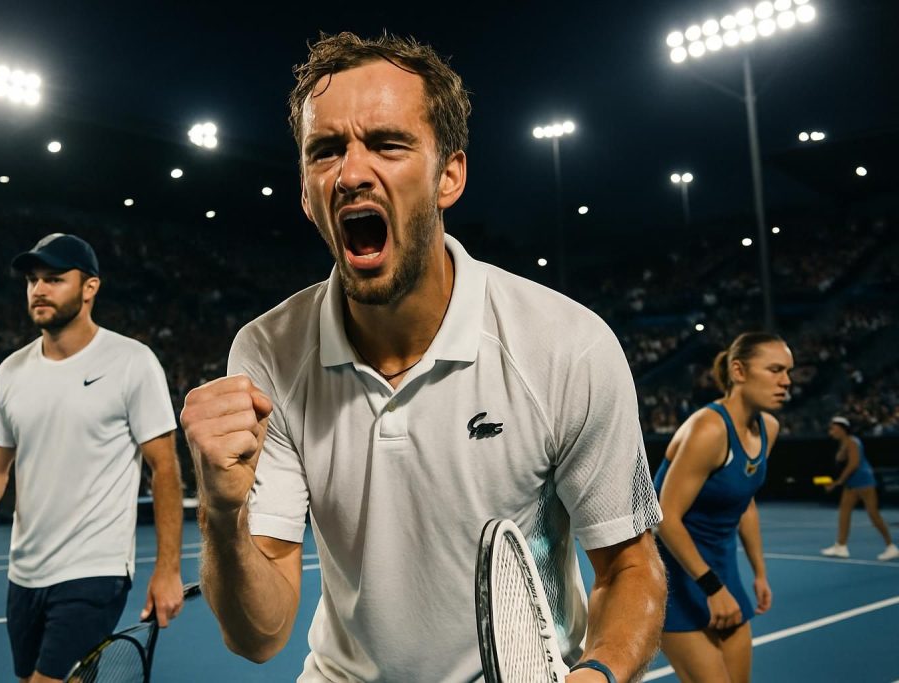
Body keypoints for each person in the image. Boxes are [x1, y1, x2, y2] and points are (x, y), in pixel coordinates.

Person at [180, 32, 666, 682]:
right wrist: (221, 512)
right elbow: (260, 634)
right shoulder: (266, 353)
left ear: (449, 176)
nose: (351, 173)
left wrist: (598, 673)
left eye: (386, 143)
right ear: (304, 193)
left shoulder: (566, 346)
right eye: (325, 151)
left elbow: (631, 567)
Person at [0, 233, 186, 683]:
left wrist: (168, 569)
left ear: (90, 288)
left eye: (54, 279)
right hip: (24, 576)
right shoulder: (10, 373)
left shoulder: (131, 362)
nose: (39, 289)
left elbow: (164, 467)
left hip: (95, 570)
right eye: (32, 280)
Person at [654, 332, 793, 683]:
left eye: (788, 371)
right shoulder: (709, 429)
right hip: (674, 576)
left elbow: (744, 503)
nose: (786, 381)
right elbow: (664, 518)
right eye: (775, 369)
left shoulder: (769, 429)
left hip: (719, 570)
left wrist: (759, 572)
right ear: (739, 371)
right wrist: (713, 589)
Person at [820, 416, 898, 561]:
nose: (831, 431)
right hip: (852, 482)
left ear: (842, 429)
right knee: (844, 512)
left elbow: (853, 464)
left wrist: (837, 483)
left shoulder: (852, 442)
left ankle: (891, 547)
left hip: (864, 481)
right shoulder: (844, 444)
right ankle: (841, 546)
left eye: (834, 428)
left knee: (873, 514)